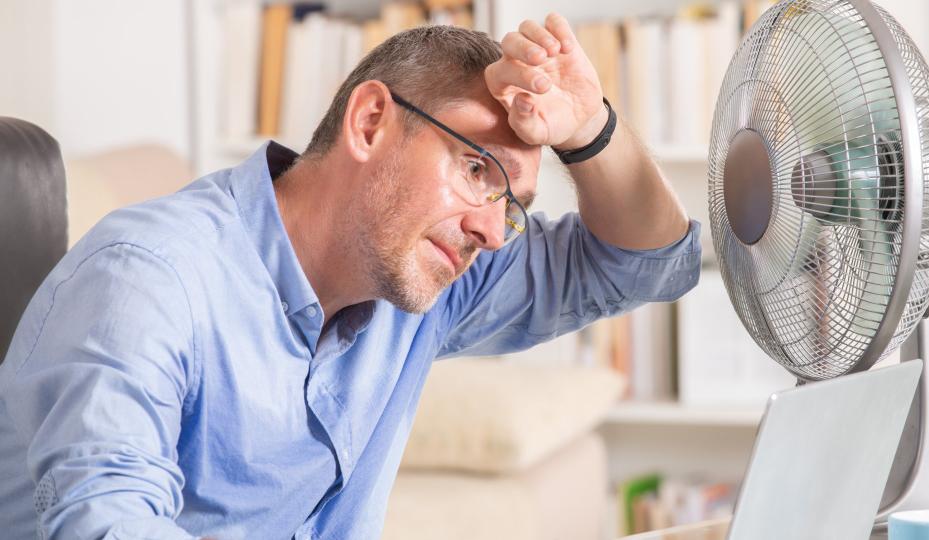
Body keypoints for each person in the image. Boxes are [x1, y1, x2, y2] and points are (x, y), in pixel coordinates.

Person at [0, 14, 700, 540]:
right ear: (370, 122)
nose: (492, 230)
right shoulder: (148, 279)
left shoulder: (425, 279)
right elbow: (108, 523)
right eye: (477, 170)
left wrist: (593, 131)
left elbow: (647, 265)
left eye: (513, 206)